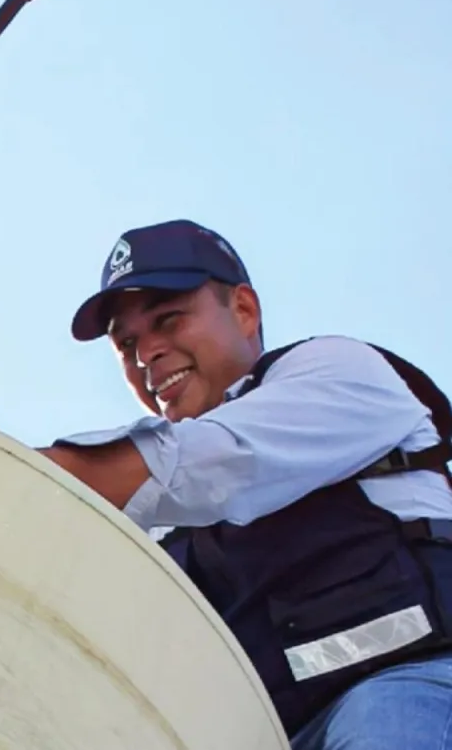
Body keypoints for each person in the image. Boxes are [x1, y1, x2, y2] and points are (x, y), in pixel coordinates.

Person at [36, 218, 452, 749]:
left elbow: (198, 465)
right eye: (127, 346)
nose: (146, 355)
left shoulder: (337, 372)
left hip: (412, 689)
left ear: (244, 310)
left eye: (168, 319)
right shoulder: (177, 548)